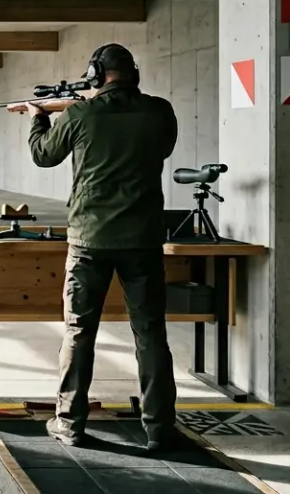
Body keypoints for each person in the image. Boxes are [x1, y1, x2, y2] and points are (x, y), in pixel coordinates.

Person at [13, 43, 179, 452]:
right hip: (143, 240)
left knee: (79, 331)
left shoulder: (80, 115)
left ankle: (69, 423)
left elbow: (43, 155)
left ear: (96, 74)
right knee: (151, 334)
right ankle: (160, 429)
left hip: (90, 239)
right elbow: (162, 148)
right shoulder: (160, 112)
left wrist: (38, 118)